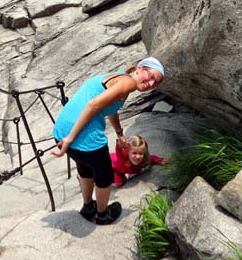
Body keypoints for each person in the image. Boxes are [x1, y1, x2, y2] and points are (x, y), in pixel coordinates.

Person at [51, 56, 165, 225]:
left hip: (61, 130)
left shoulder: (120, 76)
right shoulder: (128, 83)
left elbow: (110, 108)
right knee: (104, 177)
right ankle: (103, 215)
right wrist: (70, 139)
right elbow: (93, 105)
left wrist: (119, 132)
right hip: (81, 136)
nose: (150, 83)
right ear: (139, 68)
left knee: (86, 169)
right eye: (151, 76)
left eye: (155, 83)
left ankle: (88, 207)